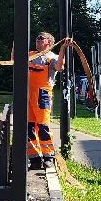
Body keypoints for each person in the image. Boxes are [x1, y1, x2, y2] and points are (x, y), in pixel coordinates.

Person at [26, 32, 60, 170]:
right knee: (29, 127)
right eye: (36, 38)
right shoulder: (30, 55)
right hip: (28, 95)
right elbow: (14, 60)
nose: (37, 41)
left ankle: (49, 157)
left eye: (41, 39)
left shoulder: (52, 58)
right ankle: (34, 158)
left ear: (49, 43)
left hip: (42, 95)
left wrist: (63, 49)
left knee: (43, 127)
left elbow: (59, 67)